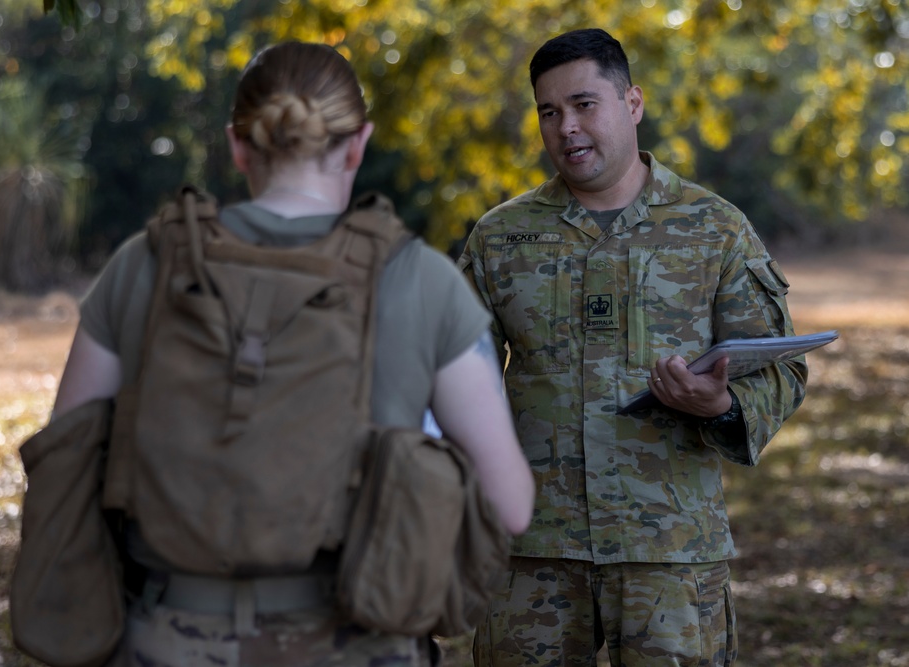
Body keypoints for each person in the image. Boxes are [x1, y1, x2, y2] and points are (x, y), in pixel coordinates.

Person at [52, 40, 534, 666]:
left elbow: (63, 458)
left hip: (167, 638)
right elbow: (511, 504)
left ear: (238, 143)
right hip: (362, 641)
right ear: (357, 144)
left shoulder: (145, 265)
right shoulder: (420, 279)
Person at [457, 28, 808, 666]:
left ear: (633, 103)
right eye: (548, 111)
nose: (566, 127)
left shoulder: (714, 229)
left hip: (668, 555)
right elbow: (451, 380)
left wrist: (721, 405)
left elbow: (782, 369)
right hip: (532, 555)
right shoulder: (500, 238)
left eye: (584, 104)